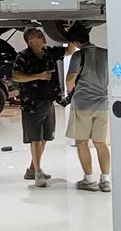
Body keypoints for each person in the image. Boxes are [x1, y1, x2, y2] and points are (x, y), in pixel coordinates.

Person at [11, 27, 75, 187]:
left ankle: (32, 169)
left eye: (41, 34)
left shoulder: (49, 52)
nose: (42, 36)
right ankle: (38, 172)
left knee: (46, 136)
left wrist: (71, 34)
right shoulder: (23, 56)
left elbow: (69, 51)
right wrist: (38, 76)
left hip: (48, 101)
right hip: (32, 104)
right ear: (30, 41)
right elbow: (16, 76)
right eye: (38, 35)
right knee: (36, 138)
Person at [64, 23, 111, 192]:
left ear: (76, 42)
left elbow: (70, 79)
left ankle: (89, 179)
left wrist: (71, 92)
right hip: (102, 105)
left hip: (82, 105)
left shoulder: (78, 55)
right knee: (100, 143)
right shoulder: (105, 53)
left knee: (82, 142)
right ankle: (105, 180)